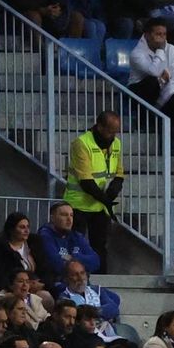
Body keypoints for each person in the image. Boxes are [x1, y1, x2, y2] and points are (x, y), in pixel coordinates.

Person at [62, 110, 123, 269]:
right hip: (78, 205)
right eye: (110, 131)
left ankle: (101, 282)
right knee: (76, 246)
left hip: (100, 205)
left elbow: (119, 172)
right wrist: (106, 200)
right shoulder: (81, 143)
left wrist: (116, 186)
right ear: (100, 127)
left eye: (115, 132)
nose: (113, 136)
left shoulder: (116, 143)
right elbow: (86, 181)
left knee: (100, 247)